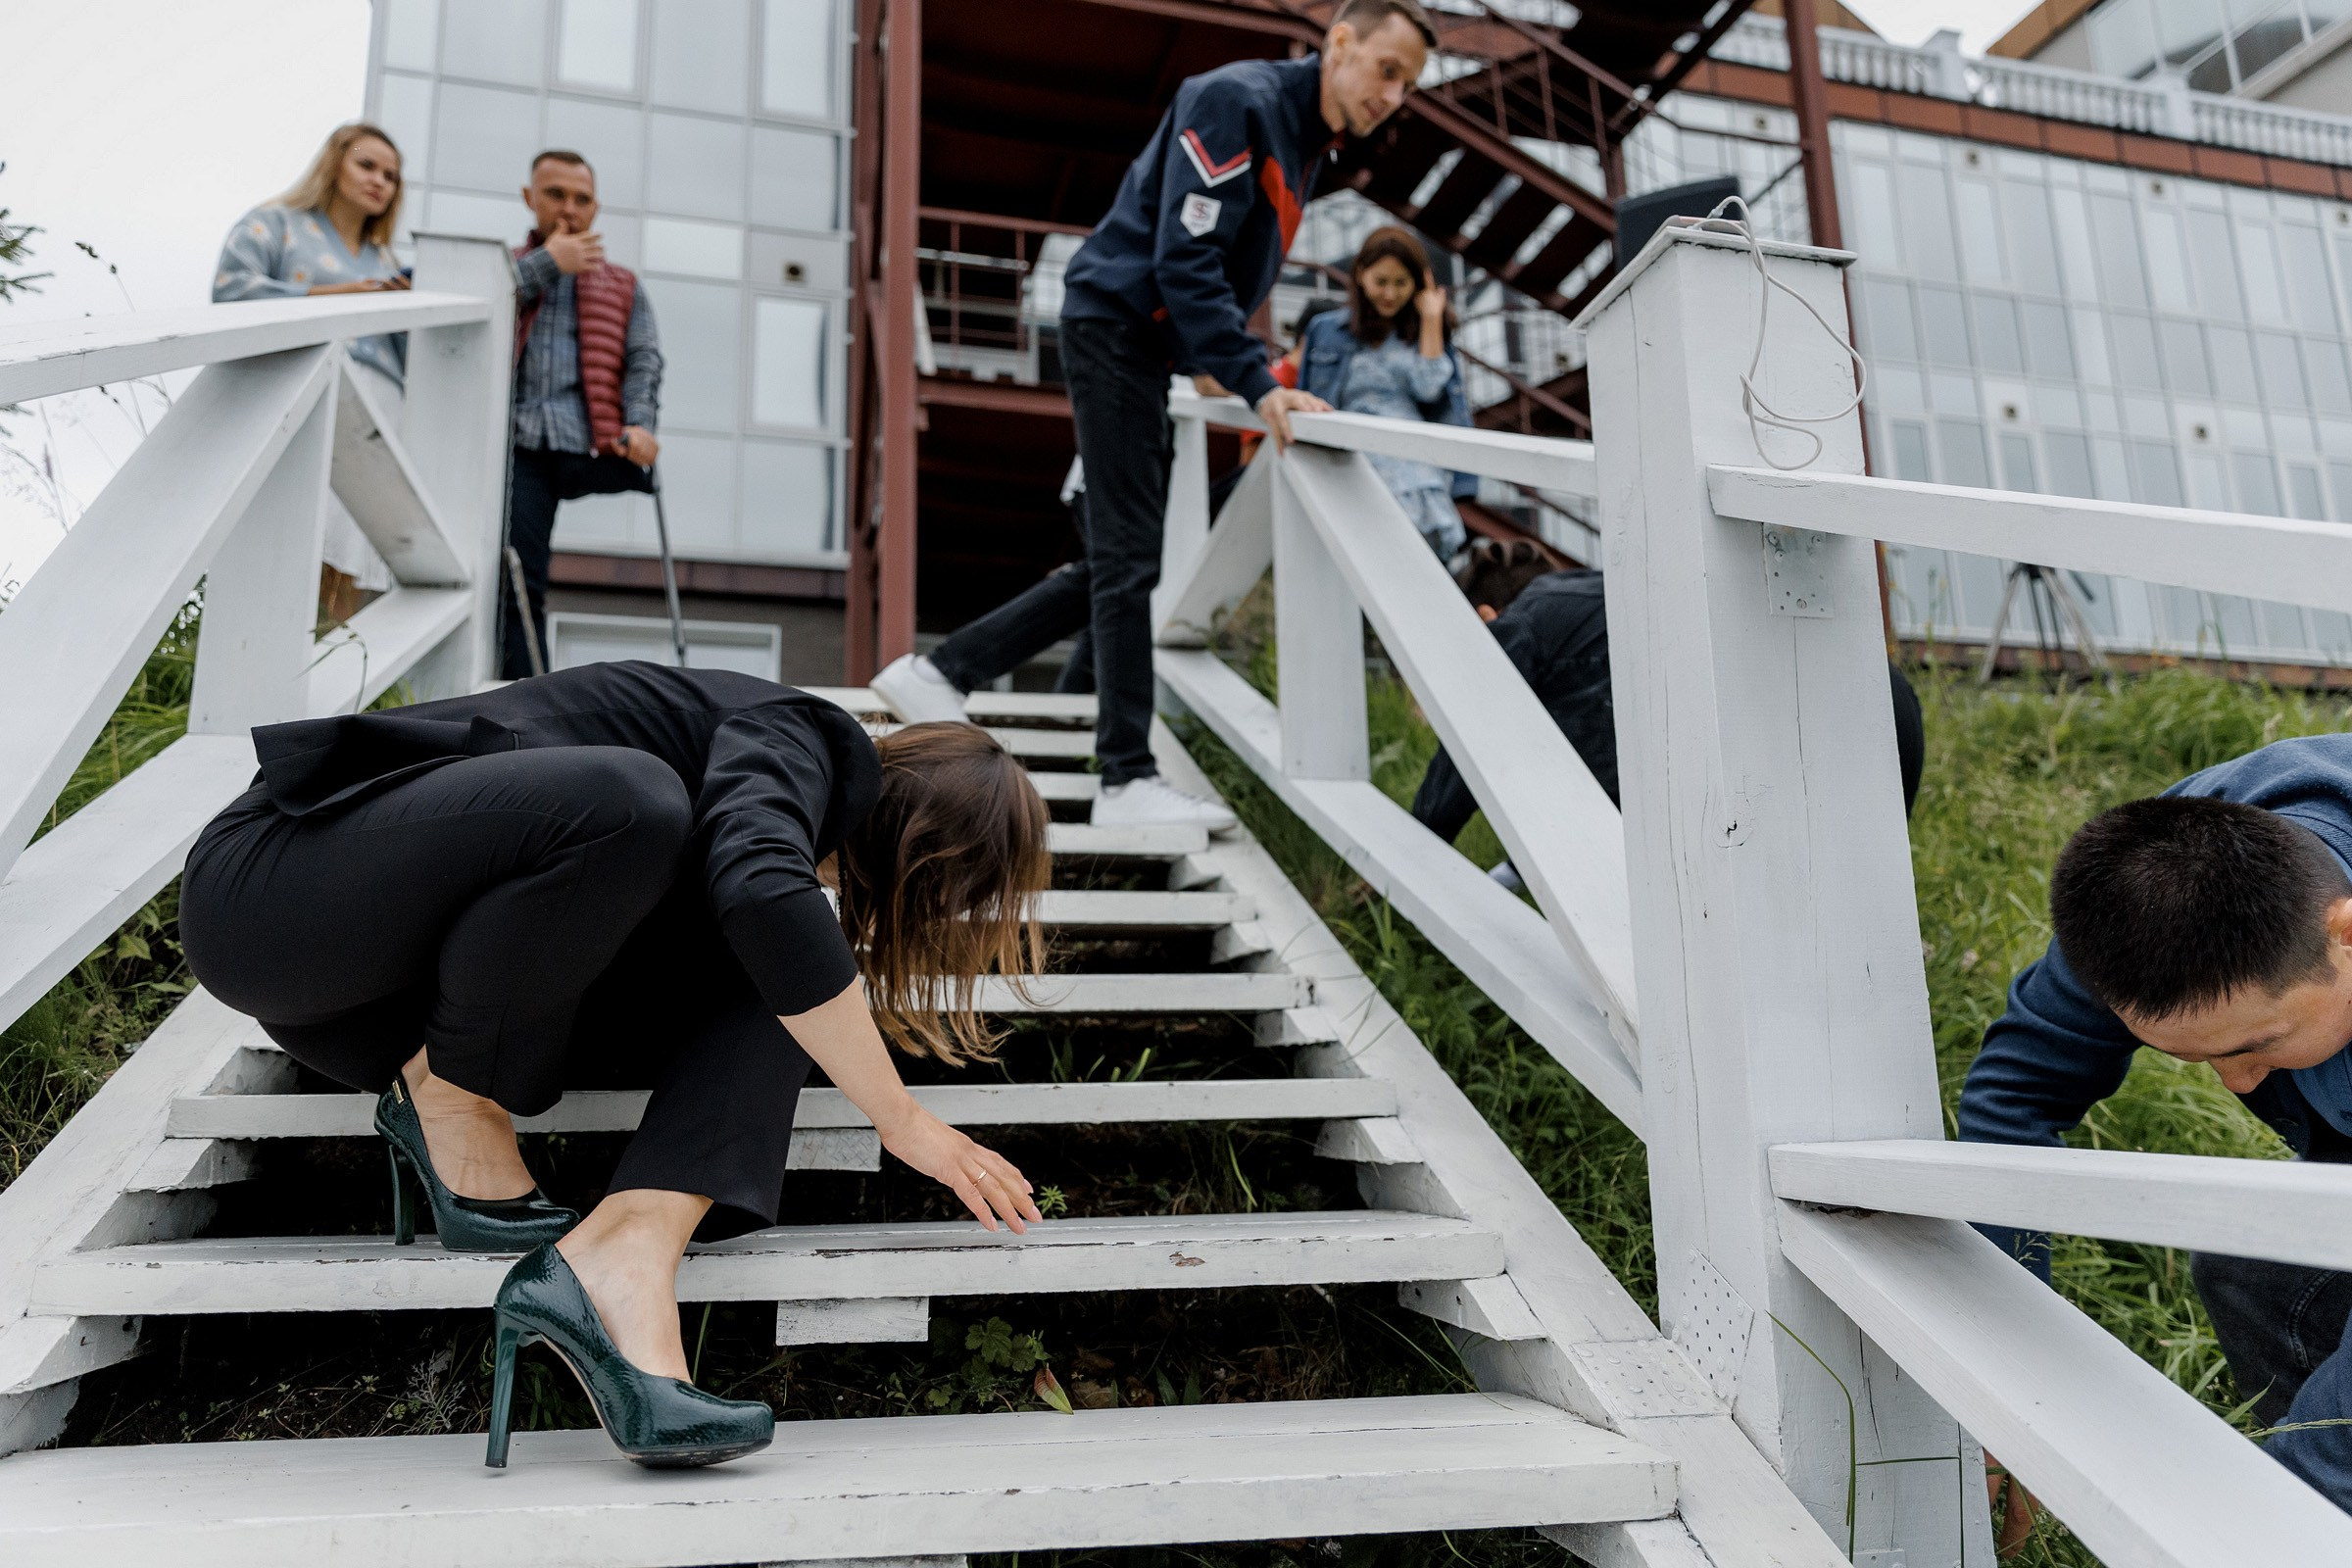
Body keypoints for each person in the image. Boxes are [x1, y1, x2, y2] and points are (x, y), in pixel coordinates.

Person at [177, 662, 1048, 1470]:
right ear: (923, 851)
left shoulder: (768, 843)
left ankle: (624, 1256)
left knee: (770, 968)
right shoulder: (805, 735)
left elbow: (764, 914)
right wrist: (903, 1121)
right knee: (640, 802)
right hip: (272, 896)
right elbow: (757, 879)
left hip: (383, 1005)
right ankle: (445, 1088)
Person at [869, 0, 1437, 832]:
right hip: (1117, 329)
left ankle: (945, 672)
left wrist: (1213, 362)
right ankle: (1123, 777)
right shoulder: (1236, 100)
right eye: (1387, 70)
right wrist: (1253, 377)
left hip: (1150, 343)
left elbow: (1216, 268)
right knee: (1128, 559)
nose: (1394, 94)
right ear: (1340, 41)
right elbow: (1186, 257)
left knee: (1119, 557)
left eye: (1409, 86)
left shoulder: (1308, 142)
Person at [1957, 735, 2352, 1515]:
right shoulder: (2151, 889)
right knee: (2257, 1266)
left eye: (2255, 1044)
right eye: (2191, 1058)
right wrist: (2006, 1387)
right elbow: (2016, 1097)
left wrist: (2280, 1517)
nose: (2236, 1083)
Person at [1411, 540, 1925, 879]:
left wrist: (1413, 857)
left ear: (1484, 617)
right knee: (1855, 906)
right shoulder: (1614, 599)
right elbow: (1604, 794)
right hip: (1877, 697)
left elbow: (1466, 746)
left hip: (1806, 730)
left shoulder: (1525, 623)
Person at [213, 122, 413, 596]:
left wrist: (404, 307)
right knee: (290, 530)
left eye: (391, 175)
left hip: (379, 406)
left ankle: (332, 654)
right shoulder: (272, 224)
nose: (379, 180)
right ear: (333, 164)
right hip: (300, 388)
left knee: (350, 551)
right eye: (366, 164)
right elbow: (230, 291)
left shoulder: (388, 263)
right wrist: (331, 295)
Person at [502, 150, 664, 680]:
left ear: (596, 208)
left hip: (588, 441)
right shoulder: (505, 265)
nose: (568, 209)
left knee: (529, 569)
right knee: (521, 574)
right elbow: (485, 305)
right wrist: (550, 261)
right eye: (555, 195)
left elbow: (643, 360)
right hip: (516, 442)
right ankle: (528, 686)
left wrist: (640, 422)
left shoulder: (622, 283)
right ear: (530, 199)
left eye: (581, 198)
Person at [1295, 225, 1474, 560]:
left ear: (1419, 284)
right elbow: (1305, 397)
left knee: (1414, 564)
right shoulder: (1326, 329)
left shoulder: (1424, 331)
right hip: (1348, 459)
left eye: (1401, 283)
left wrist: (1432, 319)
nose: (1389, 294)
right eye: (1381, 282)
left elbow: (1429, 386)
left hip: (1410, 466)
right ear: (1361, 275)